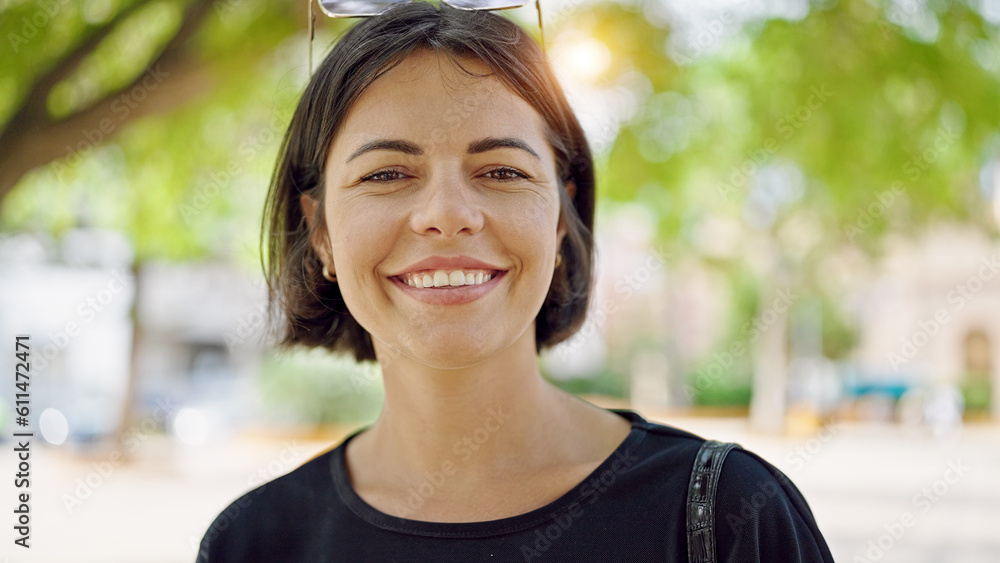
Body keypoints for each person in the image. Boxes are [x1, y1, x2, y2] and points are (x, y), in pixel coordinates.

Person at [196, 2, 835, 561]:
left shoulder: (726, 519)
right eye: (386, 174)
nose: (447, 214)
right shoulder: (254, 544)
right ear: (321, 232)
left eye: (501, 171)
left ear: (561, 217)